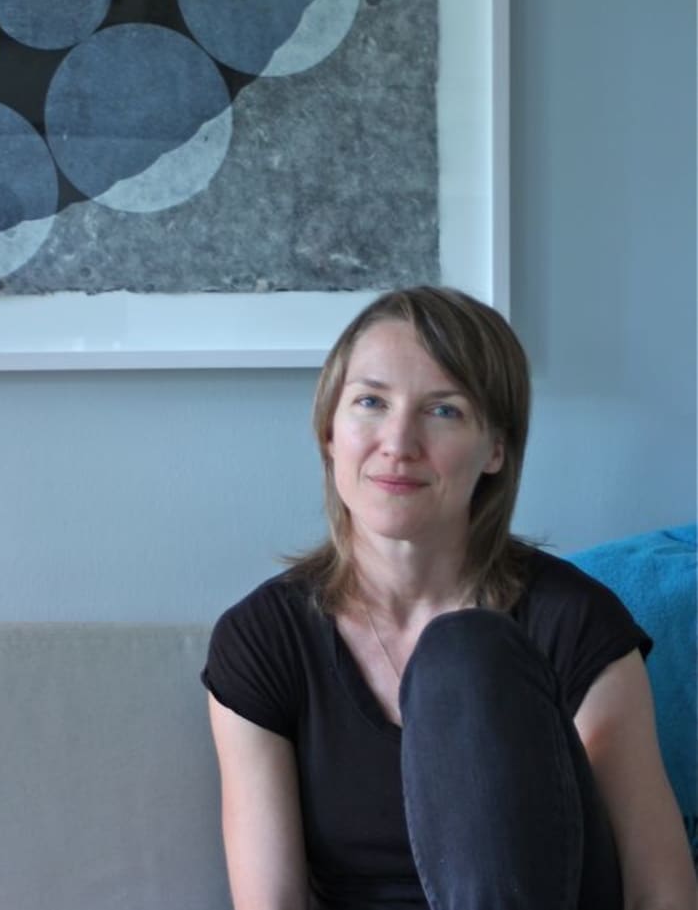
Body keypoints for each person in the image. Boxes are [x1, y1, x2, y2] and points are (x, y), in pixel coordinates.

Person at [201, 286, 695, 909]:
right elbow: (271, 902)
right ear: (330, 429)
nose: (398, 442)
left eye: (444, 411)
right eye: (371, 402)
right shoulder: (264, 640)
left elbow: (661, 891)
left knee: (466, 654)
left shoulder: (574, 620)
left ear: (496, 449)